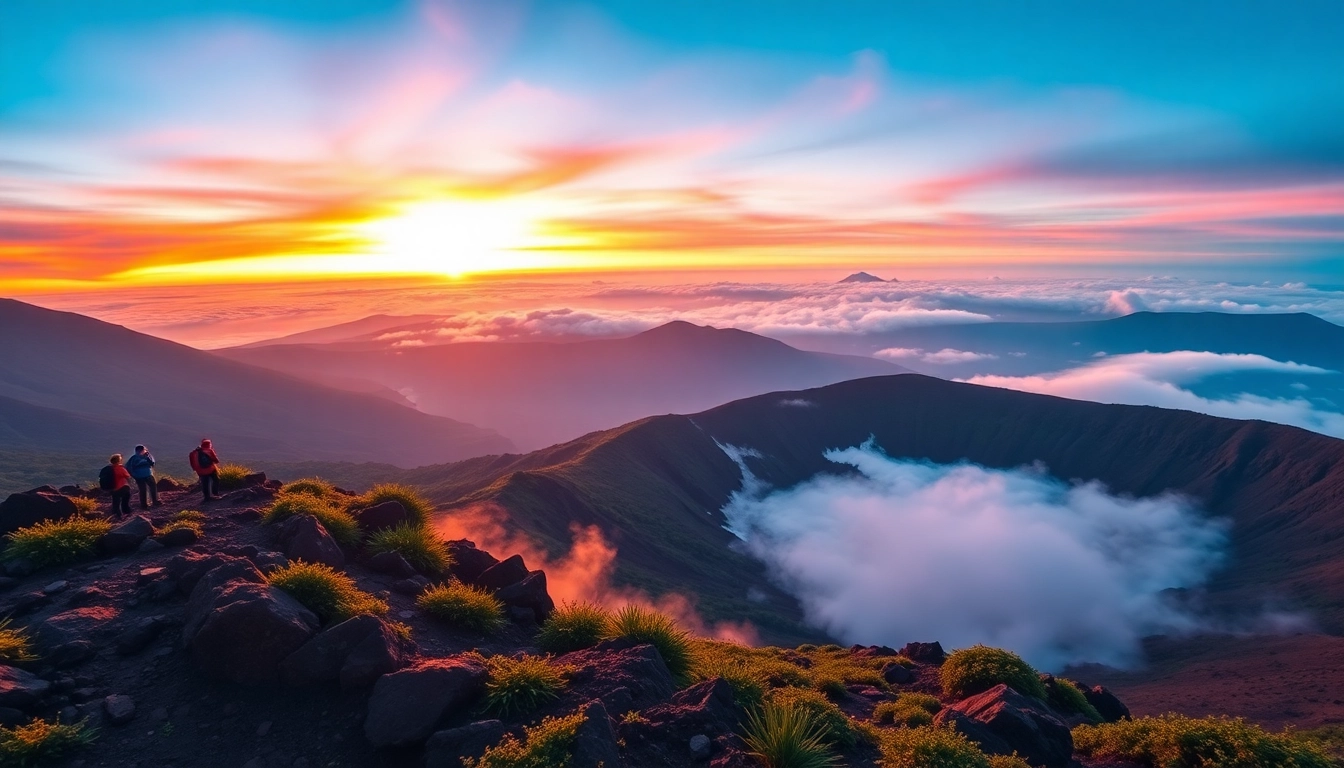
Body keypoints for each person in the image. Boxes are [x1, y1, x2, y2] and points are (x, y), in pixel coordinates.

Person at [125, 444, 160, 509]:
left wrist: (148, 457)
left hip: (147, 475)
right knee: (144, 489)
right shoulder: (134, 458)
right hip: (140, 476)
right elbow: (128, 467)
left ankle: (153, 502)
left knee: (152, 487)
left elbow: (152, 463)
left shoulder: (147, 456)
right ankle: (145, 505)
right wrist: (133, 475)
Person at [105, 454, 132, 519]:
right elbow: (128, 476)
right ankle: (126, 513)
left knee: (115, 502)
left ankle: (116, 515)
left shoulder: (108, 469)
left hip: (112, 488)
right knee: (125, 500)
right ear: (119, 461)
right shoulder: (120, 468)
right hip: (122, 486)